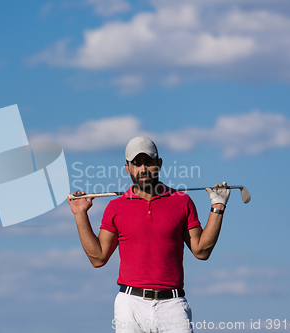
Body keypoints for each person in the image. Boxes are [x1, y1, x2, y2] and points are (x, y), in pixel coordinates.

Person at [68, 136, 230, 333]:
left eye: (149, 162)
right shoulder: (115, 207)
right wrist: (80, 214)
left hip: (173, 304)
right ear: (127, 168)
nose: (143, 169)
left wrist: (217, 207)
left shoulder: (182, 202)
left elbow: (201, 251)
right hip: (130, 305)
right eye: (136, 164)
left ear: (159, 164)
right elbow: (98, 258)